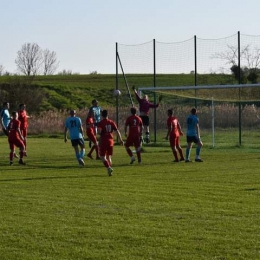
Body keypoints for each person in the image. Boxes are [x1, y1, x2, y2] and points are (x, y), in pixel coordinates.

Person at [97, 109, 124, 176]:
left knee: (102, 157)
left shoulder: (101, 123)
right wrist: (121, 140)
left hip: (104, 141)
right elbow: (117, 131)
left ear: (102, 115)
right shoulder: (111, 122)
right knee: (109, 157)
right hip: (111, 141)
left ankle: (109, 167)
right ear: (107, 115)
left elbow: (99, 132)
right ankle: (110, 171)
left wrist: (99, 131)